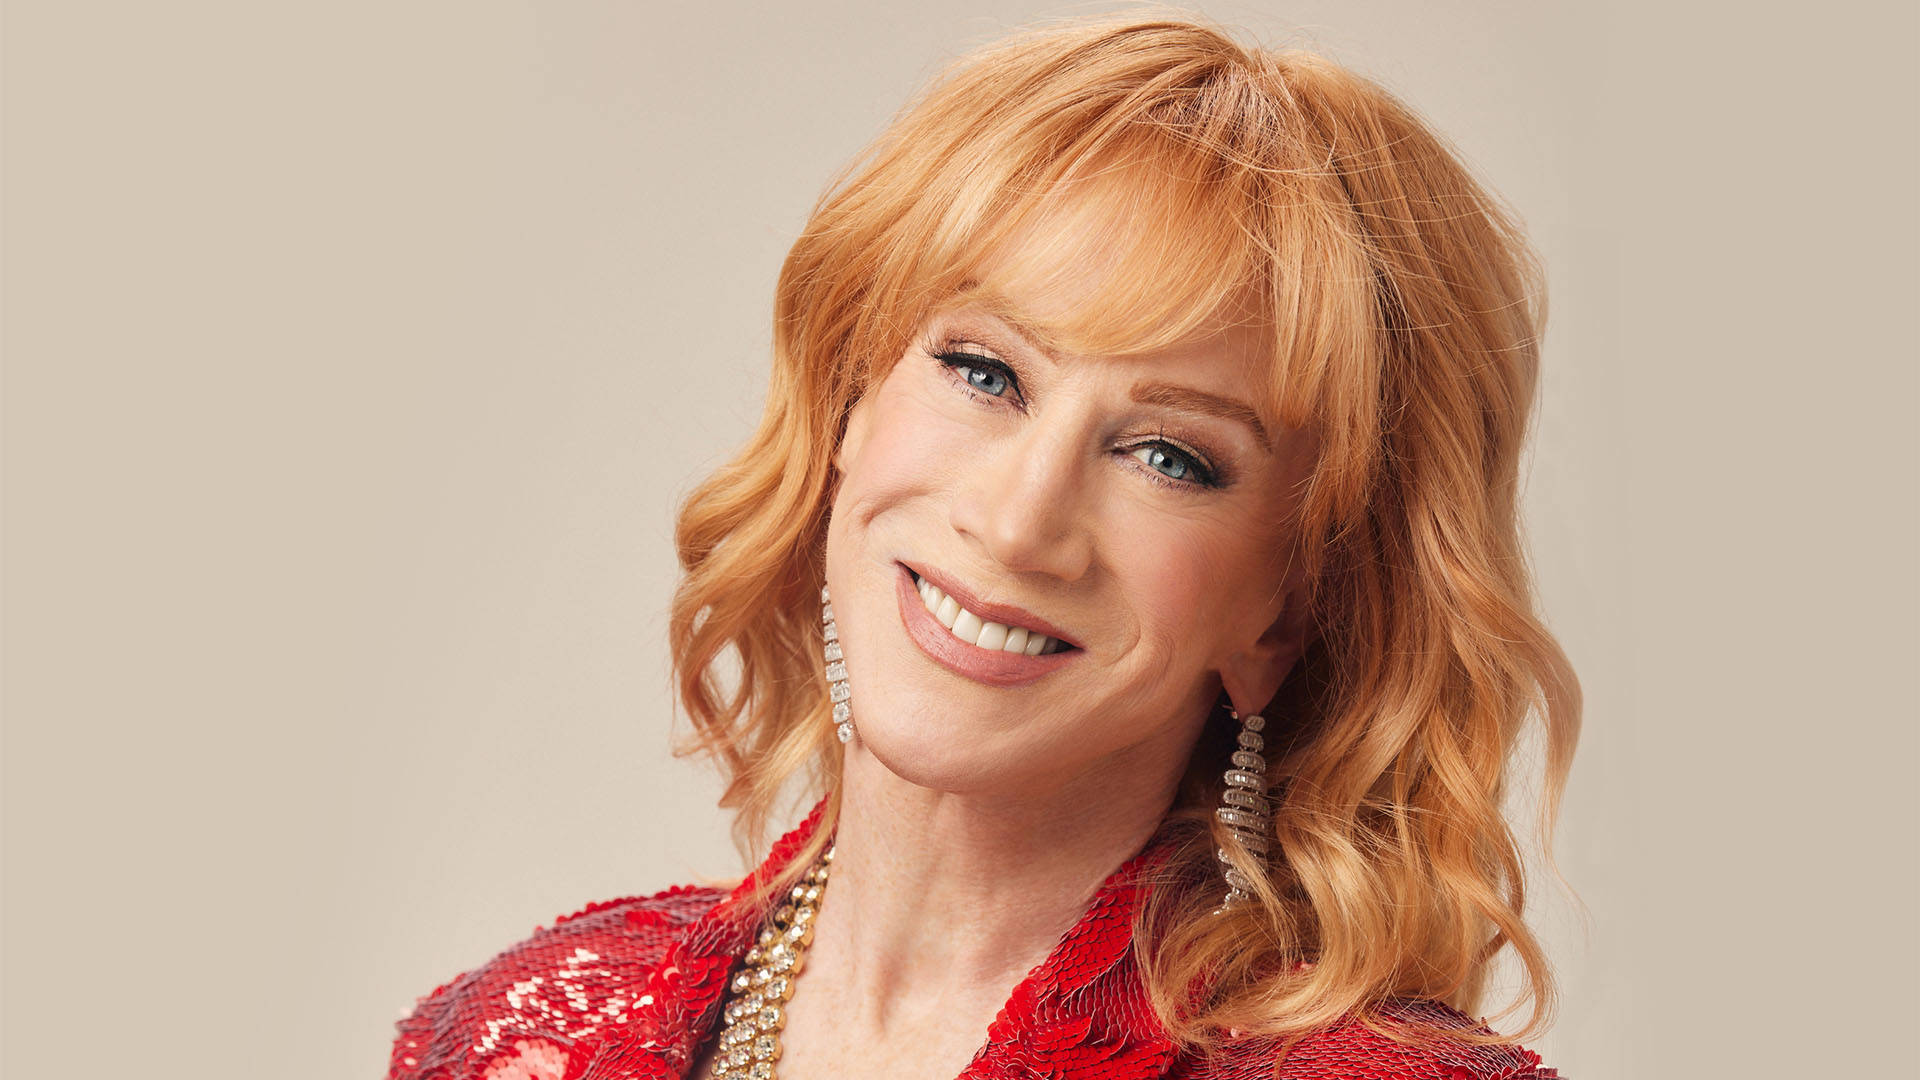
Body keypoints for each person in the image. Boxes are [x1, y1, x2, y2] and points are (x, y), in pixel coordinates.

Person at [386, 12, 1581, 1080]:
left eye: (1170, 456)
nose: (1017, 523)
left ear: (1285, 613)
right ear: (850, 407)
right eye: (983, 371)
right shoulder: (511, 1036)